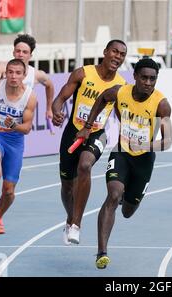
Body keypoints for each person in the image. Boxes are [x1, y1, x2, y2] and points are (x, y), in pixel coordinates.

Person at [76, 58, 172, 269]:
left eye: (152, 79)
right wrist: (88, 125)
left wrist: (146, 145)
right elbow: (102, 98)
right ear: (135, 77)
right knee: (112, 195)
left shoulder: (161, 104)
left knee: (128, 211)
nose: (148, 82)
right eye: (144, 77)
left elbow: (167, 141)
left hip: (144, 161)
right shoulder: (120, 92)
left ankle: (127, 196)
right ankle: (102, 252)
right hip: (121, 153)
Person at [51, 40, 127, 245]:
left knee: (85, 165)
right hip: (72, 133)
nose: (118, 56)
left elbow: (122, 116)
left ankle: (76, 225)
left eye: (122, 54)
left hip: (97, 134)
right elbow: (60, 99)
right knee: (67, 186)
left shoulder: (120, 86)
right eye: (114, 51)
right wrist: (56, 111)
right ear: (105, 52)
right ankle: (70, 219)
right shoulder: (82, 74)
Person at [0, 59, 37, 234]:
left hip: (15, 142)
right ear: (6, 73)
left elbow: (26, 128)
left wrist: (13, 125)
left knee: (9, 191)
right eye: (10, 72)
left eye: (18, 73)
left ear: (24, 75)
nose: (13, 76)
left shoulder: (30, 96)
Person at [0, 34, 54, 121]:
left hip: (20, 123)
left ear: (30, 56)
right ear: (13, 53)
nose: (20, 54)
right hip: (0, 119)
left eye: (25, 52)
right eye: (18, 51)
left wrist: (49, 109)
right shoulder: (2, 67)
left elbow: (50, 86)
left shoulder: (36, 74)